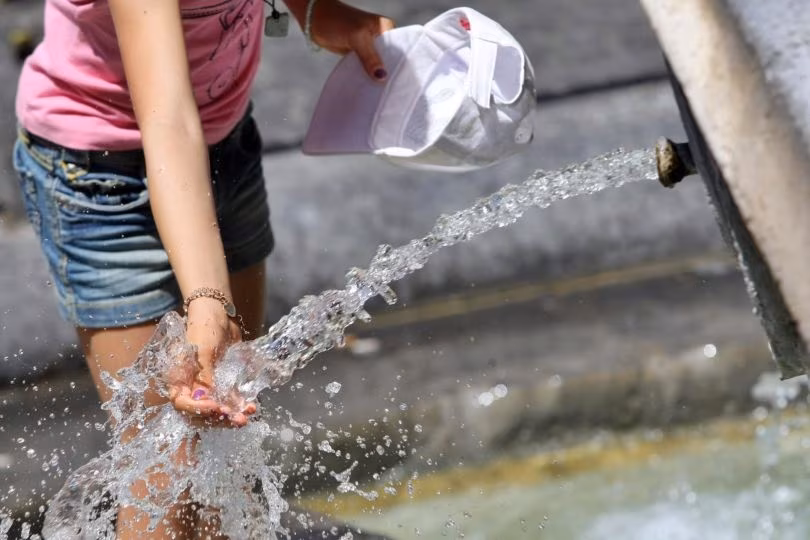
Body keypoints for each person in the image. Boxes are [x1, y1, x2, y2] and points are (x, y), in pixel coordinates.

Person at [12, 0, 394, 537]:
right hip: (101, 176)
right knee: (164, 479)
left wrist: (311, 10)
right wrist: (209, 301)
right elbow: (166, 118)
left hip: (224, 143)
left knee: (225, 451)